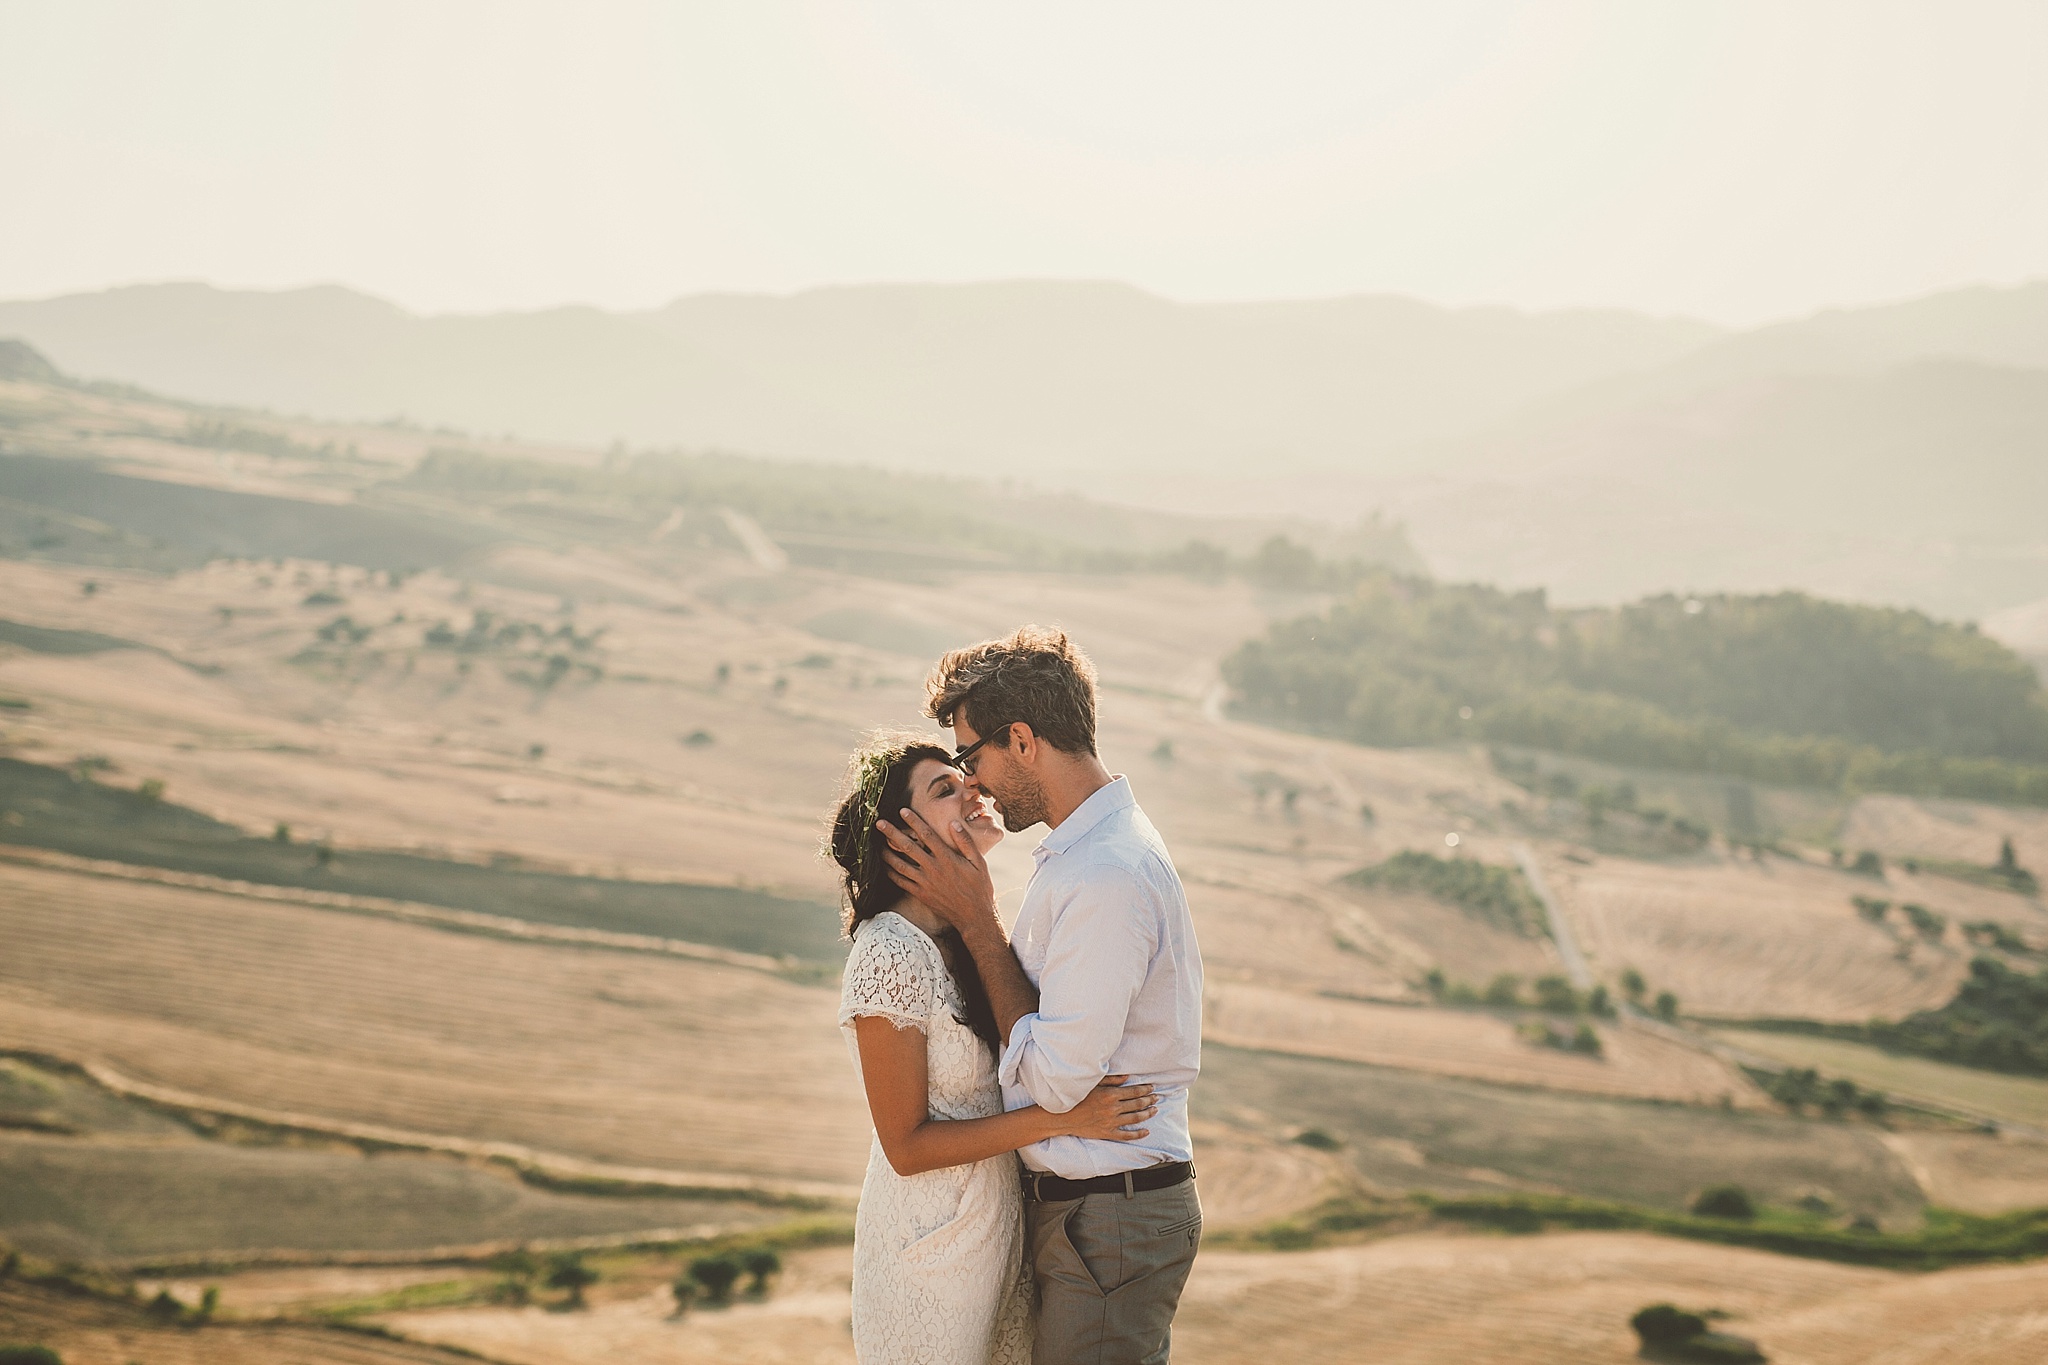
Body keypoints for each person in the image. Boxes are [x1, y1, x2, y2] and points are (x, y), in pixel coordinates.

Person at [878, 626, 1205, 1365]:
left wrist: (976, 920)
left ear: (1022, 740)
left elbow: (1057, 1078)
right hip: (1097, 1212)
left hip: (1110, 1218)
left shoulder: (1106, 874)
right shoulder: (1085, 854)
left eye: (971, 755)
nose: (971, 781)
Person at [830, 731, 1161, 1365]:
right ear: (898, 836)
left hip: (997, 1240)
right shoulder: (889, 955)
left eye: (965, 778)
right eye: (945, 789)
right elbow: (906, 1146)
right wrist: (1066, 1118)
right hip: (928, 1257)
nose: (973, 790)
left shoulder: (963, 940)